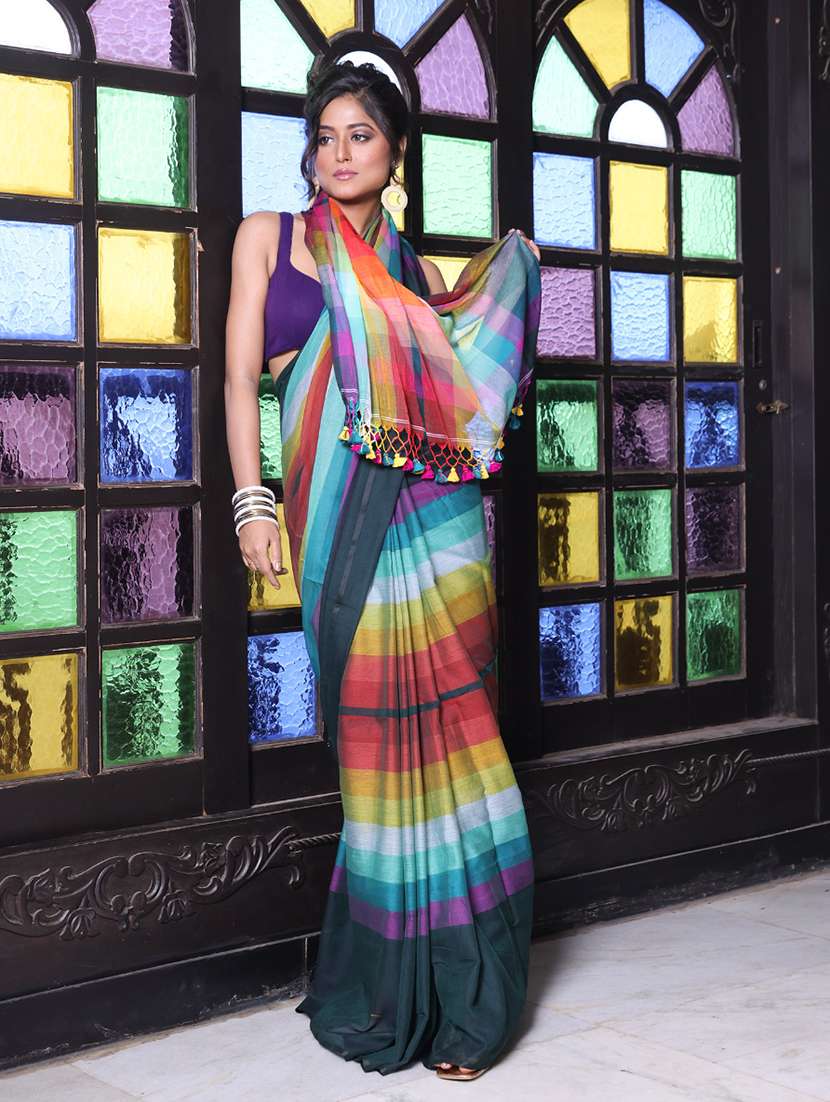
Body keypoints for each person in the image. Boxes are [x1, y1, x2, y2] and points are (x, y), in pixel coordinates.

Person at [224, 58, 541, 1082]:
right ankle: (386, 986)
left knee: (458, 734)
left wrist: (511, 277)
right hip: (330, 521)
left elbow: (463, 393)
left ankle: (469, 994)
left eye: (360, 135)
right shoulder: (267, 238)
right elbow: (237, 378)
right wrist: (251, 499)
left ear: (395, 153)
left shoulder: (412, 273)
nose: (339, 153)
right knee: (370, 748)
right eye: (324, 137)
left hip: (428, 528)